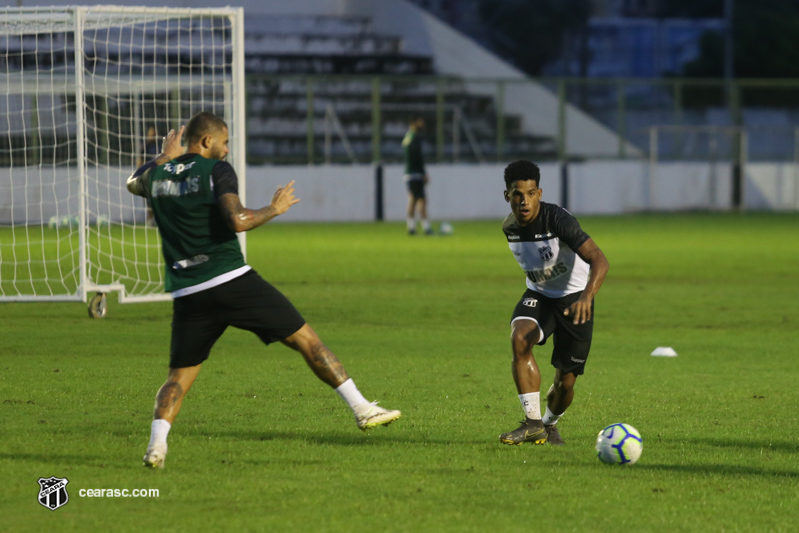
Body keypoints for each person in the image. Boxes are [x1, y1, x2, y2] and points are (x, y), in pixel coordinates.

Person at [126, 112, 401, 469]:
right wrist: (274, 208)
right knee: (307, 340)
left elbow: (134, 182)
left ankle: (156, 446)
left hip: (188, 292)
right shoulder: (217, 171)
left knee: (177, 378)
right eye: (224, 142)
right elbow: (238, 220)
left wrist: (164, 158)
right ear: (207, 141)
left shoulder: (157, 175)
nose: (226, 151)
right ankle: (363, 409)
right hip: (231, 281)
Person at [498, 160, 608, 446]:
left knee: (565, 384)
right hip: (540, 296)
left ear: (540, 193)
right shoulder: (509, 227)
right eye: (517, 194)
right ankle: (532, 423)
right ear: (507, 196)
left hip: (575, 301)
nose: (524, 201)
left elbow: (600, 260)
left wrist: (587, 296)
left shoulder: (559, 221)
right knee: (520, 337)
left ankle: (549, 423)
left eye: (531, 193)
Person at [402, 116, 433, 235]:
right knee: (422, 200)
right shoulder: (415, 138)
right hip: (416, 174)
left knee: (412, 199)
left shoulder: (407, 137)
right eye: (421, 121)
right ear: (414, 122)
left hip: (409, 173)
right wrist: (423, 173)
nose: (423, 124)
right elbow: (417, 158)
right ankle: (426, 228)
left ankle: (411, 227)